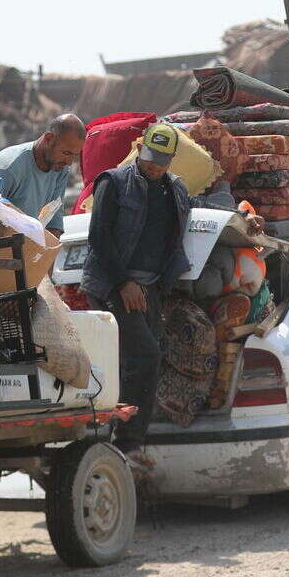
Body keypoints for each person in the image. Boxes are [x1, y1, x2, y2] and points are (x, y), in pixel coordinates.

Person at [81, 122, 192, 467]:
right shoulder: (112, 183)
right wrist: (124, 283)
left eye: (161, 160)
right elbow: (99, 238)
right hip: (112, 285)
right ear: (139, 149)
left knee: (136, 360)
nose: (153, 165)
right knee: (145, 356)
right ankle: (128, 443)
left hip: (151, 289)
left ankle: (111, 436)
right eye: (148, 157)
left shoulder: (175, 189)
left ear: (172, 159)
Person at [0, 114, 86, 237]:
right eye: (66, 153)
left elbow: (54, 217)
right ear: (48, 139)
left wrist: (48, 251)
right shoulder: (6, 167)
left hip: (28, 247)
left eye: (73, 155)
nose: (69, 162)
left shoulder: (60, 168)